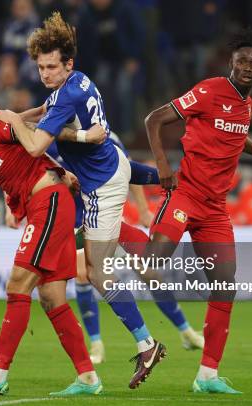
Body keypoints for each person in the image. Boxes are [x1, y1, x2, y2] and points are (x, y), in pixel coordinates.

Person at [0, 12, 166, 389]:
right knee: (148, 194)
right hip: (111, 166)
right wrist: (17, 116)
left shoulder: (65, 94)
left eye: (52, 66)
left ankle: (147, 344)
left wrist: (15, 123)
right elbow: (45, 113)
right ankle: (176, 185)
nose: (45, 73)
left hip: (101, 187)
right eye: (40, 67)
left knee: (97, 273)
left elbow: (35, 145)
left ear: (68, 63)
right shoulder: (76, 82)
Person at [0, 98, 105, 396]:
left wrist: (70, 153)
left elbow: (31, 132)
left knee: (16, 286)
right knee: (52, 297)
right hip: (47, 203)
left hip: (49, 202)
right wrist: (15, 204)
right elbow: (19, 159)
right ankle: (88, 377)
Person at [143, 29, 252, 394]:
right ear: (231, 63)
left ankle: (207, 375)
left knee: (224, 288)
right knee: (150, 264)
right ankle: (151, 334)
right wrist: (163, 166)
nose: (248, 67)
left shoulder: (245, 105)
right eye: (242, 61)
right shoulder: (210, 89)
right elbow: (154, 119)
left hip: (215, 209)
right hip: (185, 194)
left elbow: (236, 136)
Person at [41, 134, 204, 365]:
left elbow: (128, 171)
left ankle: (186, 332)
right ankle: (97, 344)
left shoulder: (105, 137)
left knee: (149, 272)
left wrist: (144, 209)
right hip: (76, 221)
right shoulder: (50, 136)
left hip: (111, 217)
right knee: (84, 275)